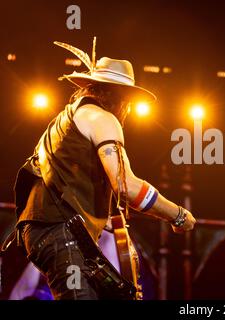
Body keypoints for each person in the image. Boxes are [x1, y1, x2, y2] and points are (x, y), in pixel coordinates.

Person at [11, 40, 196, 300]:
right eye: (129, 103)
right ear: (122, 99)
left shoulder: (69, 119)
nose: (128, 111)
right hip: (61, 233)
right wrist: (178, 215)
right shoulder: (103, 119)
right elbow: (126, 186)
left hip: (49, 232)